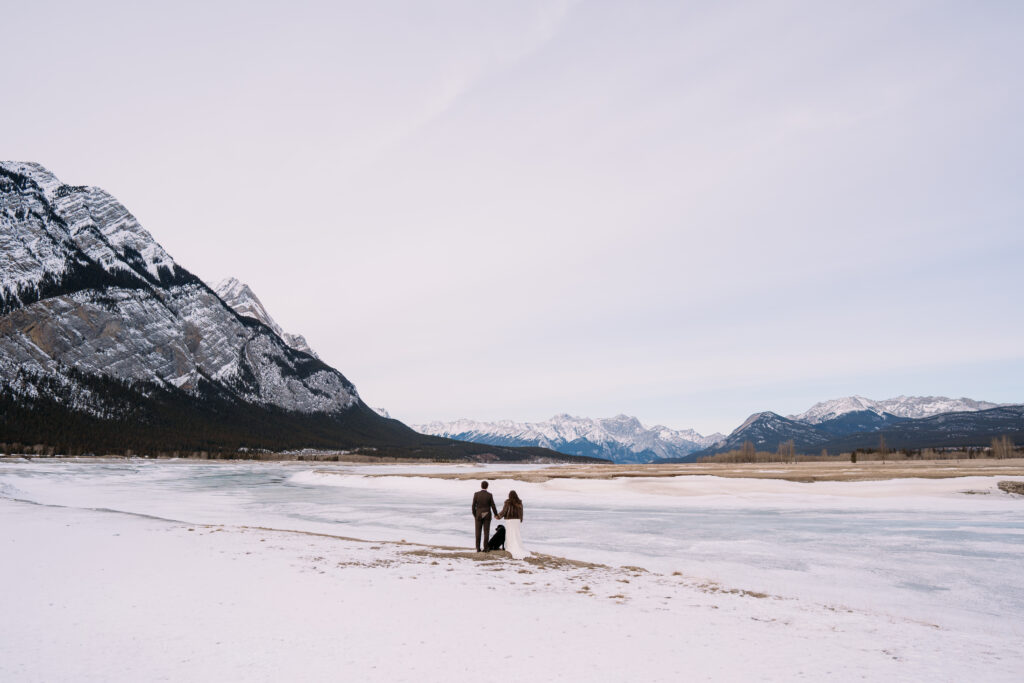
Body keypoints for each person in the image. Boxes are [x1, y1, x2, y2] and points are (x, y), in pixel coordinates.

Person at [497, 490, 529, 560]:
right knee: (516, 533)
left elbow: (504, 511)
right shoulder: (519, 502)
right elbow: (521, 512)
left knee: (510, 533)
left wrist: (498, 516)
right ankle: (518, 546)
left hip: (509, 520)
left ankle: (510, 547)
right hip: (517, 520)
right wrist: (521, 519)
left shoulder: (507, 502)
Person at [472, 481, 498, 552]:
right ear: (487, 486)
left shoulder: (476, 494)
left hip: (478, 515)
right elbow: (493, 505)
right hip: (487, 514)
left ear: (481, 486)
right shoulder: (489, 495)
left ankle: (478, 548)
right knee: (486, 532)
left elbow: (473, 506)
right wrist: (496, 514)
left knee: (478, 532)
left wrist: (475, 515)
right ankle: (485, 548)